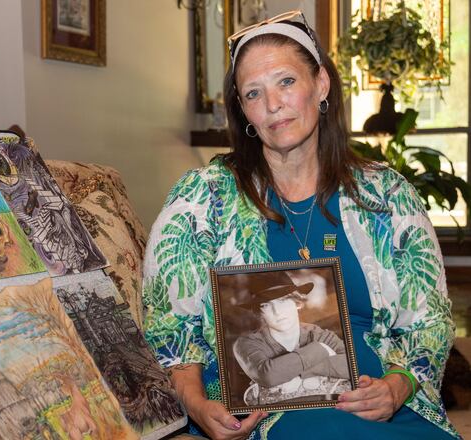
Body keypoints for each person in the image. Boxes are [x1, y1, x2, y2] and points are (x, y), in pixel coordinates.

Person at [142, 10, 458, 440]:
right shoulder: (202, 199)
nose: (273, 104)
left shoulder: (387, 195)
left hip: (384, 405)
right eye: (253, 93)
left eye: (286, 81)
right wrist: (196, 404)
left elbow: (430, 320)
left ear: (321, 84)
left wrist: (397, 387)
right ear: (244, 111)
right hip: (270, 412)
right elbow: (169, 327)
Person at [231, 272, 350, 405]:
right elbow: (268, 376)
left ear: (297, 303)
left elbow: (351, 366)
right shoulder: (247, 343)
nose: (277, 311)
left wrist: (289, 370)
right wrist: (320, 349)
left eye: (283, 301)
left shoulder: (319, 334)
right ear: (260, 313)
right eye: (266, 305)